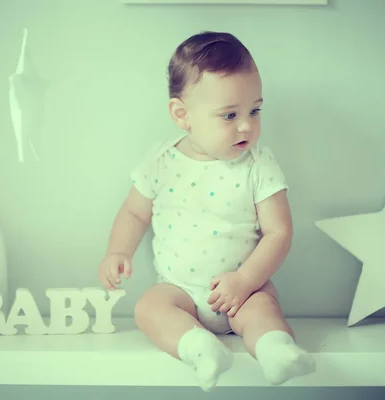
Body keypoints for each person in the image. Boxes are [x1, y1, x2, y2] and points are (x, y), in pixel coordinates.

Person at [97, 31, 316, 391]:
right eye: (229, 115)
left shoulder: (258, 164)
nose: (246, 125)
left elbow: (279, 232)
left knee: (263, 310)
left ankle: (277, 352)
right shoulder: (161, 162)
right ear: (182, 114)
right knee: (148, 308)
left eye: (255, 110)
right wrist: (117, 251)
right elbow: (135, 213)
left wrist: (245, 281)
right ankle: (199, 348)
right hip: (179, 292)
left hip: (243, 290)